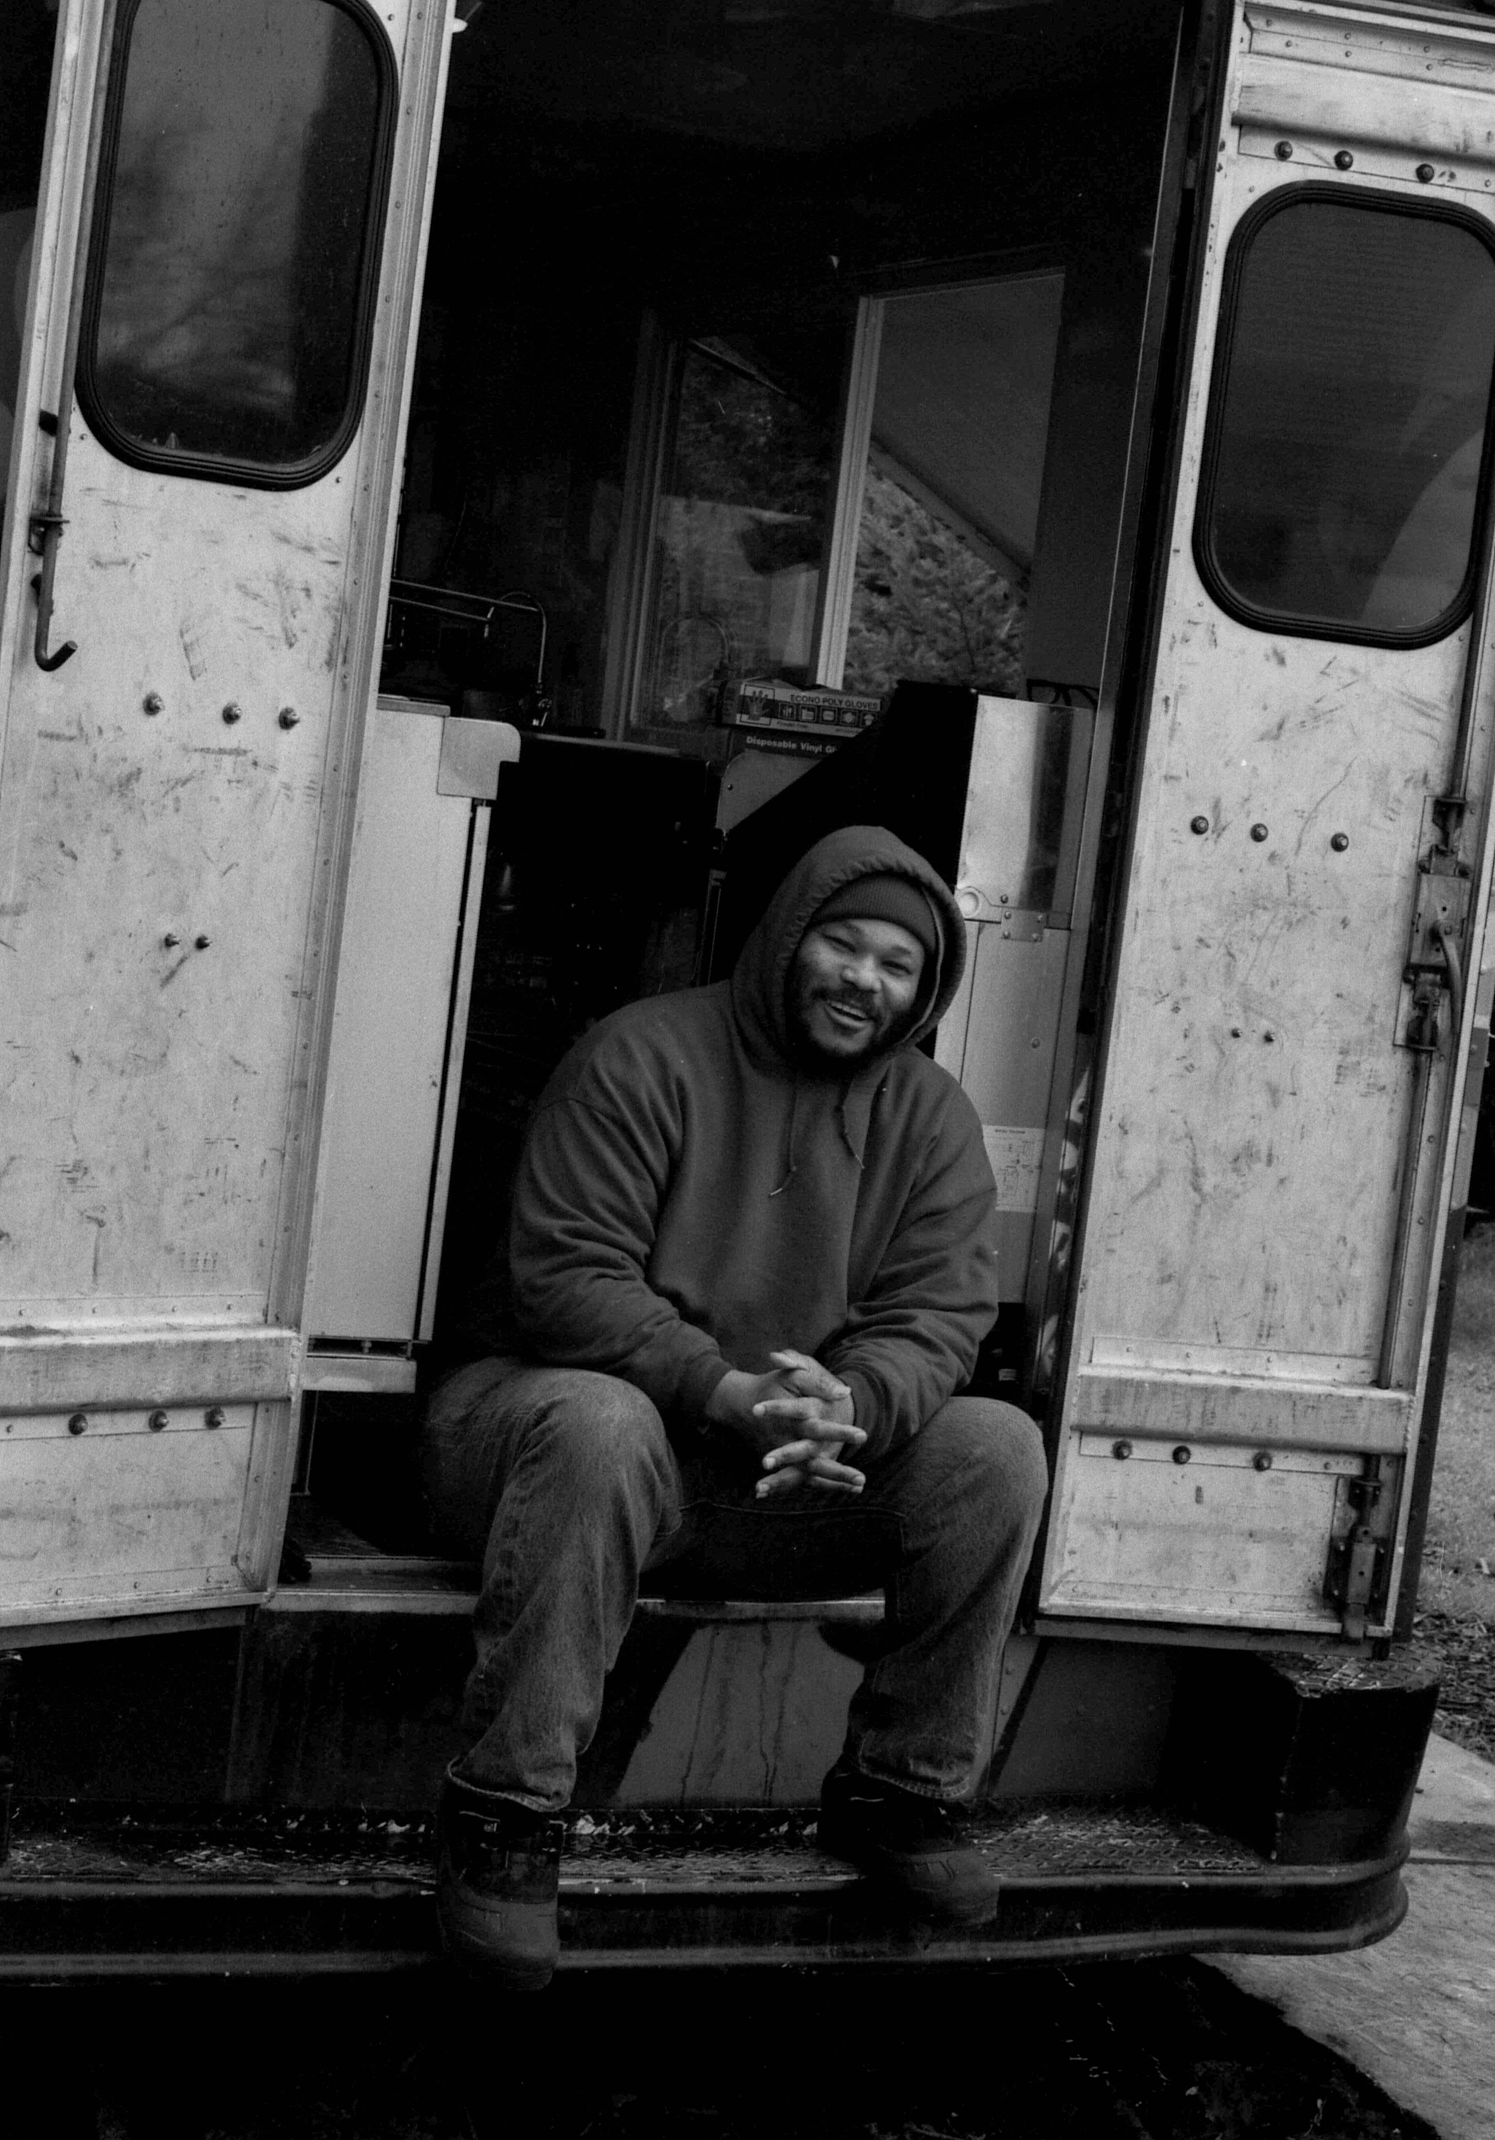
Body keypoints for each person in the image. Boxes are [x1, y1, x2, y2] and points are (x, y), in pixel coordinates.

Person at [421, 824, 1048, 1987]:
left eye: (896, 965)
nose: (863, 979)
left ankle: (900, 1794)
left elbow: (940, 1317)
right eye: (841, 944)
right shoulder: (640, 1055)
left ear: (924, 990)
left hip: (773, 1477)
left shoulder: (932, 1119)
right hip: (558, 1449)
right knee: (599, 1423)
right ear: (784, 939)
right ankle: (505, 1821)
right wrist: (722, 1389)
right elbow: (565, 1281)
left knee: (993, 1446)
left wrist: (845, 1405)